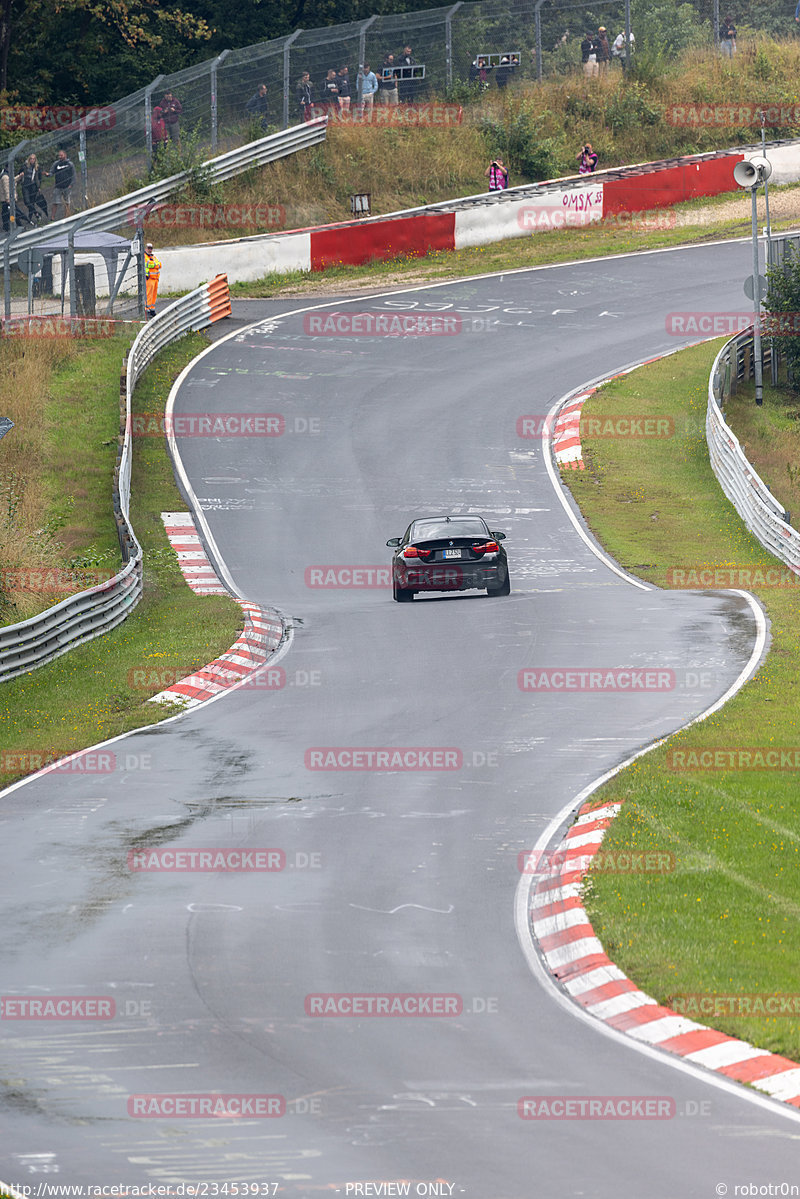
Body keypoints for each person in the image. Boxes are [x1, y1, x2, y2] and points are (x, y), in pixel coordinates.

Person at [46, 149, 75, 219]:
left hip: (67, 186)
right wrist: (48, 174)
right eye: (59, 155)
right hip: (58, 186)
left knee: (67, 202)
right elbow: (51, 172)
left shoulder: (70, 164)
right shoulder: (56, 164)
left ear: (65, 155)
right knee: (55, 202)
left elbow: (73, 175)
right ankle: (52, 217)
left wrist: (71, 184)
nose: (60, 156)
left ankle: (66, 216)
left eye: (61, 155)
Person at [21, 153, 48, 224]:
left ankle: (29, 219)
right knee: (27, 202)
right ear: (29, 159)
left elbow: (39, 178)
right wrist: (21, 175)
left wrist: (38, 187)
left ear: (35, 160)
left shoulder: (37, 167)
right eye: (31, 159)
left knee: (32, 202)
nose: (32, 160)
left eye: (33, 159)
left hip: (33, 186)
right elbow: (19, 174)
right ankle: (36, 213)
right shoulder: (24, 166)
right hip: (25, 186)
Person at [0, 166, 24, 234]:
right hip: (6, 199)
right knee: (11, 212)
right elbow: (6, 188)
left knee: (8, 213)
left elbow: (12, 180)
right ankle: (13, 225)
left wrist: (19, 177)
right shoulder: (5, 177)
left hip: (6, 199)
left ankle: (10, 226)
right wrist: (8, 199)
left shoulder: (6, 175)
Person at [144, 242, 161, 318]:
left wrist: (154, 264)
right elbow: (148, 264)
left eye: (151, 248)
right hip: (149, 278)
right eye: (148, 248)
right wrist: (155, 265)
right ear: (145, 248)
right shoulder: (144, 256)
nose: (150, 250)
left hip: (155, 279)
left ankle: (152, 309)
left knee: (154, 295)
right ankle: (146, 309)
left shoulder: (153, 257)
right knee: (148, 294)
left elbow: (160, 264)